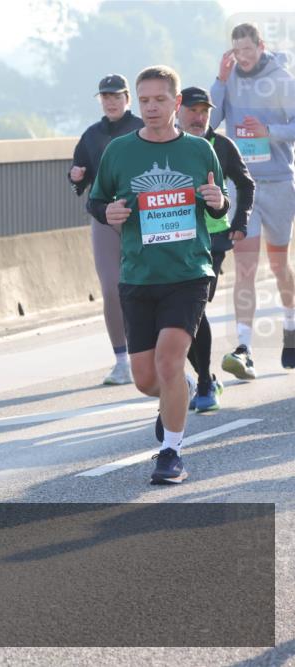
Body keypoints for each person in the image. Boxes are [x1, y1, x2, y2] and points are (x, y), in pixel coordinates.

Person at [89, 65, 229, 485]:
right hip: (138, 275)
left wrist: (218, 200)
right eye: (144, 100)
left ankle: (171, 453)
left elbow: (219, 203)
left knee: (169, 359)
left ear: (176, 103)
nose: (151, 107)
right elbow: (97, 201)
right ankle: (179, 389)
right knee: (146, 379)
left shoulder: (199, 151)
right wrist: (108, 211)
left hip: (188, 273)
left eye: (160, 100)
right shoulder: (119, 151)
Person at [210, 22, 295, 376]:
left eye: (248, 49)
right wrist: (219, 80)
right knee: (245, 267)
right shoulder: (228, 79)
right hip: (242, 186)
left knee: (278, 266)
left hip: (278, 183)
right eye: (237, 51)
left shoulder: (281, 79)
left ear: (261, 45)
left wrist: (268, 131)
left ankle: (290, 327)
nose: (242, 57)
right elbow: (210, 120)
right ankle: (243, 347)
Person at [178, 86, 254, 412]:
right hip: (173, 238)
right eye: (192, 111)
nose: (199, 118)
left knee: (193, 310)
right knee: (179, 315)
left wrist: (240, 221)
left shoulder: (221, 145)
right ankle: (205, 378)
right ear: (178, 111)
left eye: (204, 112)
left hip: (212, 240)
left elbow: (246, 184)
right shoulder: (167, 146)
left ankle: (205, 384)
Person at [69, 74, 145, 385]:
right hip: (104, 217)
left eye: (116, 96)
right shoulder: (91, 135)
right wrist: (75, 176)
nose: (111, 102)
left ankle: (149, 352)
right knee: (112, 289)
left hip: (143, 217)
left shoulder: (142, 127)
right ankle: (122, 361)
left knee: (147, 286)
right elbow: (79, 174)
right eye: (105, 97)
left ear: (128, 98)